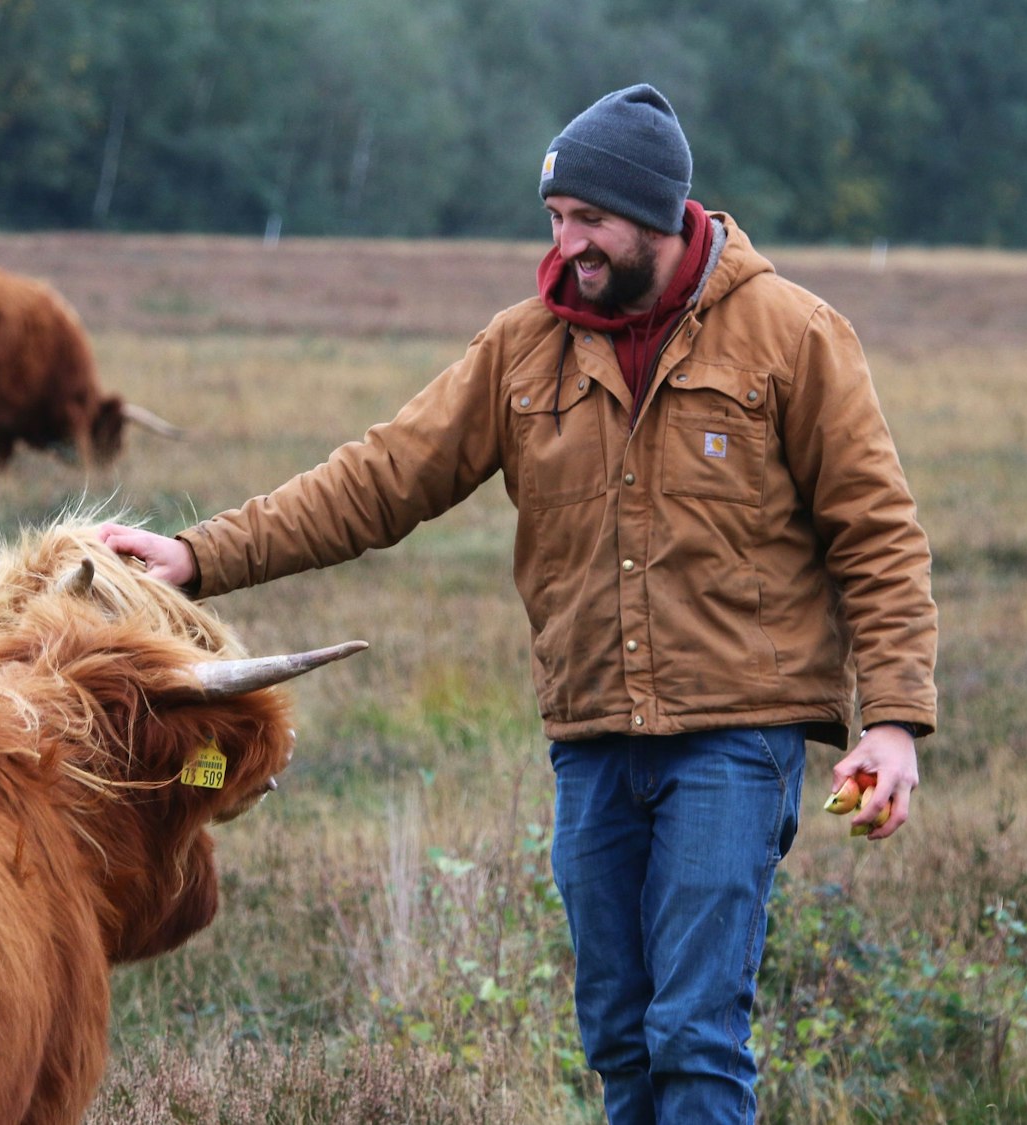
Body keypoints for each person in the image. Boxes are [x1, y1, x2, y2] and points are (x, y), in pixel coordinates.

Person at [99, 83, 937, 1124]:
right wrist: (195, 555)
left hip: (735, 735)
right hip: (591, 736)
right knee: (619, 1036)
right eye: (553, 217)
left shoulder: (793, 335)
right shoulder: (523, 347)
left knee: (694, 1035)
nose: (565, 243)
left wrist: (892, 721)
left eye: (588, 219)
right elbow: (378, 480)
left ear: (658, 214)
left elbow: (877, 533)